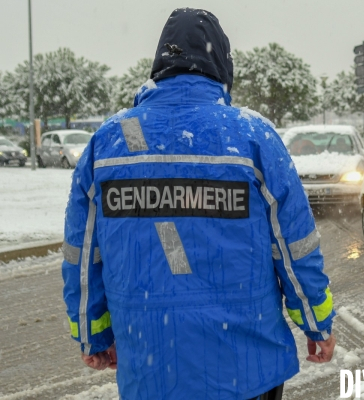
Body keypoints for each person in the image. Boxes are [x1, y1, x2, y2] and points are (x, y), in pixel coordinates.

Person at [61, 8, 336, 400]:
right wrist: (318, 325)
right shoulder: (253, 137)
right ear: (222, 66)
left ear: (160, 66)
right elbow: (295, 249)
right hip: (248, 369)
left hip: (151, 370)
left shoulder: (107, 144)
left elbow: (83, 257)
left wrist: (93, 335)